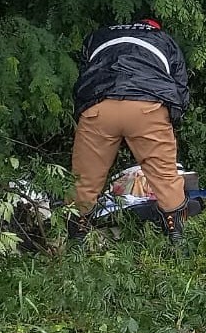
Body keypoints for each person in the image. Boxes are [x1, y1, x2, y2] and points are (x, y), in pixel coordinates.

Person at [70, 18, 191, 244]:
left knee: (84, 180)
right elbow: (180, 87)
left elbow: (84, 75)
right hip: (148, 107)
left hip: (99, 106)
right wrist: (169, 120)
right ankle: (178, 240)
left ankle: (75, 244)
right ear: (154, 28)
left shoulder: (99, 36)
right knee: (165, 178)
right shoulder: (164, 40)